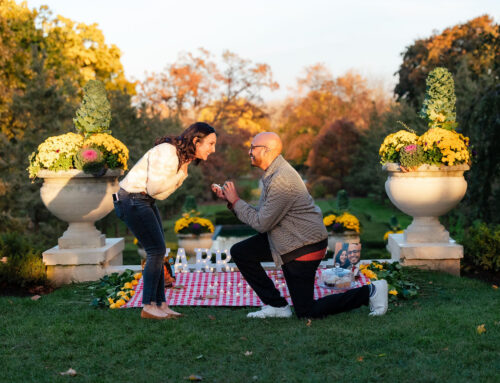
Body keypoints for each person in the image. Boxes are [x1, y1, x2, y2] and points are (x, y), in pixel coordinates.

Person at [212, 132, 387, 319]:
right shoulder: (273, 174)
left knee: (306, 311)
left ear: (266, 150)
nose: (249, 152)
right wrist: (232, 202)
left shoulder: (281, 179)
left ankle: (371, 292)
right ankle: (277, 305)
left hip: (302, 246)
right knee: (242, 252)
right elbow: (262, 216)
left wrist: (236, 200)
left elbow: (261, 223)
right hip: (286, 239)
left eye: (253, 148)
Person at [114, 122, 216, 320]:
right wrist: (180, 175)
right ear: (196, 140)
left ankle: (161, 304)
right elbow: (155, 190)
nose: (213, 149)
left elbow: (159, 194)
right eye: (210, 143)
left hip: (143, 200)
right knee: (156, 251)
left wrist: (181, 174)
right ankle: (149, 306)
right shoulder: (167, 152)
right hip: (133, 200)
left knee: (159, 252)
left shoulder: (178, 156)